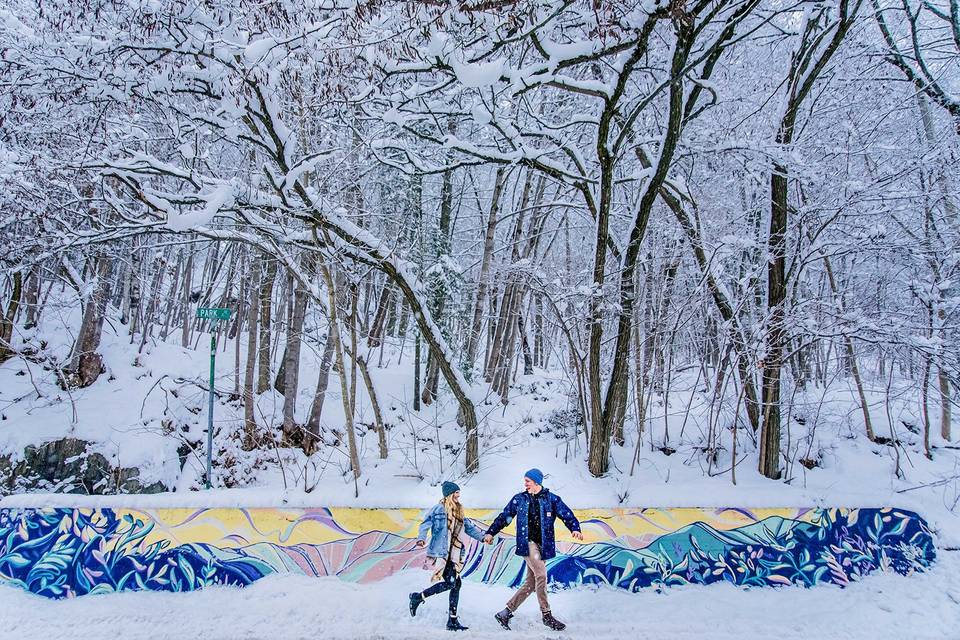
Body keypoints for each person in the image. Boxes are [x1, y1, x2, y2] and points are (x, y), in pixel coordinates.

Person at [483, 468, 583, 631]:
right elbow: (505, 517)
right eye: (525, 481)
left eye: (528, 481)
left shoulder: (551, 499)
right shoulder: (520, 499)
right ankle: (546, 615)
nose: (525, 484)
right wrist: (490, 532)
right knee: (541, 575)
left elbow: (567, 514)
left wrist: (575, 528)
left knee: (531, 583)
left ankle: (505, 613)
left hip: (543, 545)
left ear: (537, 482)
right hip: (527, 543)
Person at [409, 481, 488, 631]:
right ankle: (417, 597)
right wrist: (421, 538)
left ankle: (452, 621)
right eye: (456, 493)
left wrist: (483, 538)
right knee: (452, 583)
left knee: (456, 584)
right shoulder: (438, 509)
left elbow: (469, 528)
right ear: (449, 495)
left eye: (459, 493)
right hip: (441, 553)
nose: (458, 496)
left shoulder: (459, 511)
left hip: (453, 554)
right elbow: (425, 523)